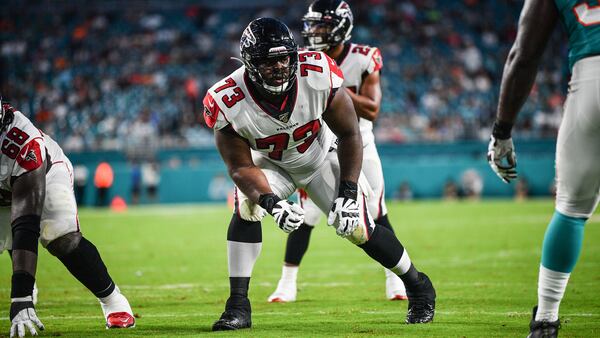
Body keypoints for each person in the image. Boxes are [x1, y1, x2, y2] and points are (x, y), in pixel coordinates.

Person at [204, 18, 435, 331]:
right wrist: (272, 203)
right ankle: (238, 305)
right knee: (247, 205)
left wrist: (349, 192)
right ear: (249, 63)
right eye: (268, 61)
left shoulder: (317, 73)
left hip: (320, 158)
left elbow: (351, 134)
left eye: (284, 57)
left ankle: (418, 285)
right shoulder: (227, 98)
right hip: (270, 166)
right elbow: (240, 167)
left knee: (356, 227)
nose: (279, 67)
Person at [268, 0, 407, 303]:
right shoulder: (303, 59)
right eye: (313, 25)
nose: (315, 31)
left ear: (342, 27)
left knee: (375, 210)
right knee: (307, 215)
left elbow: (371, 109)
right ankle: (286, 282)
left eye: (323, 25)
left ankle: (395, 278)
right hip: (318, 143)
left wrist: (334, 84)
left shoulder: (363, 58)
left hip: (359, 140)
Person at [486, 1, 600, 337]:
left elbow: (523, 55)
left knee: (572, 209)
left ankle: (546, 320)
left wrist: (501, 132)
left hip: (591, 78)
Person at [0, 100, 135, 338]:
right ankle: (27, 283)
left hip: (45, 174)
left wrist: (20, 297)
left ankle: (112, 300)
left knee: (61, 237)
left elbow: (26, 223)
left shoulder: (24, 143)